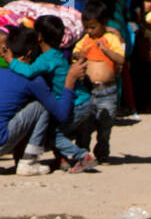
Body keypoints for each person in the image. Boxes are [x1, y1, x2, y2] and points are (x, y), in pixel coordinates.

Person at [0, 25, 86, 176]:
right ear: (29, 53)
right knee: (40, 106)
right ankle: (29, 161)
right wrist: (70, 81)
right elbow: (61, 114)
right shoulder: (32, 79)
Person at [7, 13, 95, 173]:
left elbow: (29, 71)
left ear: (39, 37)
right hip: (85, 100)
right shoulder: (57, 55)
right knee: (69, 130)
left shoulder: (46, 59)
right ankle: (65, 161)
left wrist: (10, 61)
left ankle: (83, 156)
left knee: (54, 135)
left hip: (76, 104)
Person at [72, 0, 125, 162]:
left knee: (105, 124)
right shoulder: (85, 40)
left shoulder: (110, 39)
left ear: (103, 23)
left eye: (92, 27)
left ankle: (102, 151)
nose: (89, 30)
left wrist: (105, 50)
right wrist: (78, 56)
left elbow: (121, 59)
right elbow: (75, 54)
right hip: (88, 89)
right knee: (85, 126)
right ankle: (83, 153)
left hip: (107, 91)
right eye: (86, 27)